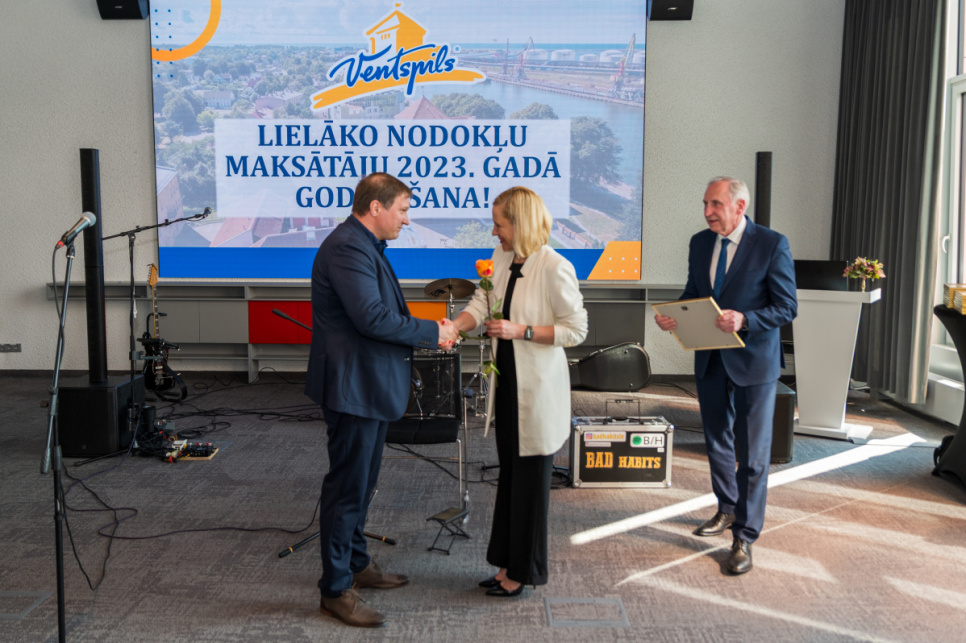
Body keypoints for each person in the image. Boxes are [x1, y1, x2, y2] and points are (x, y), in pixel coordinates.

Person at [304, 173, 460, 627]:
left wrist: (428, 330)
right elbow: (372, 318)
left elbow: (380, 315)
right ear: (376, 207)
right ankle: (335, 590)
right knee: (347, 489)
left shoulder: (364, 245)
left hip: (366, 387)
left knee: (362, 484)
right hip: (353, 389)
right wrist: (433, 332)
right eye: (403, 210)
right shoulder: (348, 248)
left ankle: (356, 564)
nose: (406, 220)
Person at [654, 176, 796, 575]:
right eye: (705, 204)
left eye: (715, 204)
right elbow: (694, 294)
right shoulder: (700, 243)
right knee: (717, 440)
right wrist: (674, 316)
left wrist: (745, 319)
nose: (707, 212)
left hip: (754, 362)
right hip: (710, 358)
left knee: (752, 454)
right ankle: (727, 508)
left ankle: (744, 537)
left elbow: (787, 307)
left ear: (740, 206)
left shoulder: (772, 244)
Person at [451, 186, 588, 597]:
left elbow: (576, 330)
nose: (494, 232)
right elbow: (481, 304)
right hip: (508, 387)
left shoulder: (554, 266)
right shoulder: (502, 258)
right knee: (511, 477)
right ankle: (505, 563)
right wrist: (454, 327)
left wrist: (521, 331)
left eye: (500, 224)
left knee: (530, 485)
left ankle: (522, 573)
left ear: (521, 223)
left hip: (539, 394)